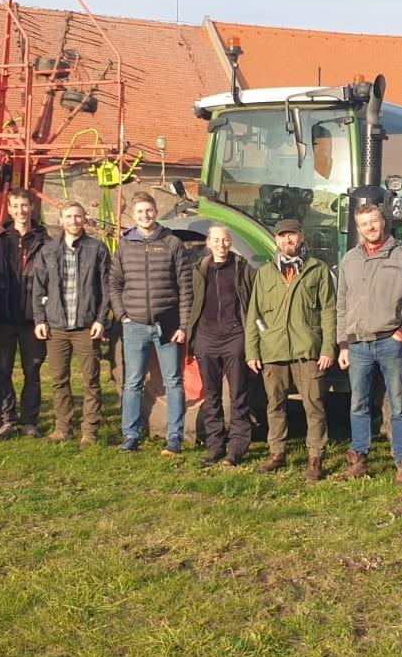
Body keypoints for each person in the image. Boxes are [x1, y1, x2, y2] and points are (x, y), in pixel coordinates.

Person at [336, 204, 402, 486]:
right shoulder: (350, 260)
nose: (370, 227)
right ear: (358, 228)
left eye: (374, 221)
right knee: (358, 404)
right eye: (364, 224)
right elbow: (341, 304)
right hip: (358, 345)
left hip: (391, 342)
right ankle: (360, 459)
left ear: (383, 221)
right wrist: (343, 344)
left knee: (399, 403)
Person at [246, 219, 335, 480]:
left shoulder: (317, 270)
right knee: (274, 405)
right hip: (273, 350)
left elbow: (329, 312)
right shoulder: (264, 273)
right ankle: (277, 453)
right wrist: (252, 351)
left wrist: (328, 348)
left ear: (301, 237)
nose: (288, 241)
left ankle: (315, 457)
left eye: (292, 236)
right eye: (283, 236)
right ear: (276, 240)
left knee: (314, 404)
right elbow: (254, 314)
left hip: (307, 349)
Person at [109, 191, 192, 454]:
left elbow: (185, 286)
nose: (145, 215)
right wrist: (122, 315)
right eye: (140, 212)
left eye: (149, 210)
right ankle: (131, 435)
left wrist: (183, 325)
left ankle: (175, 436)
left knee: (173, 381)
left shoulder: (172, 242)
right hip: (134, 324)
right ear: (133, 216)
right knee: (133, 381)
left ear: (156, 211)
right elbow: (114, 284)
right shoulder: (125, 244)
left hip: (166, 322)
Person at [32, 201, 112, 445]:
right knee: (59, 380)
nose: (74, 221)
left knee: (90, 381)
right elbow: (38, 287)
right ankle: (63, 428)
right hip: (57, 327)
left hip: (87, 326)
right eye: (69, 216)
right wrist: (40, 319)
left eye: (78, 216)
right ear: (61, 219)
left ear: (84, 218)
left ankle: (90, 430)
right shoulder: (48, 251)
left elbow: (106, 287)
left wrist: (101, 319)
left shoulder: (96, 248)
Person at [187, 225, 255, 467]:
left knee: (238, 394)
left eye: (225, 240)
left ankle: (236, 447)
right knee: (212, 395)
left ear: (231, 242)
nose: (221, 244)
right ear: (208, 242)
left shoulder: (242, 268)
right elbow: (191, 302)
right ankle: (215, 446)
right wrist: (190, 335)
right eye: (216, 240)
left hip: (234, 336)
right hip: (206, 337)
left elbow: (251, 302)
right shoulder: (199, 269)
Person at [0, 191, 51, 438]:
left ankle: (29, 420)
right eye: (16, 206)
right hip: (2, 316)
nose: (21, 210)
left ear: (32, 207)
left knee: (32, 371)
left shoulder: (45, 242)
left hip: (33, 318)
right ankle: (7, 418)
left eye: (25, 205)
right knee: (2, 370)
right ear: (9, 210)